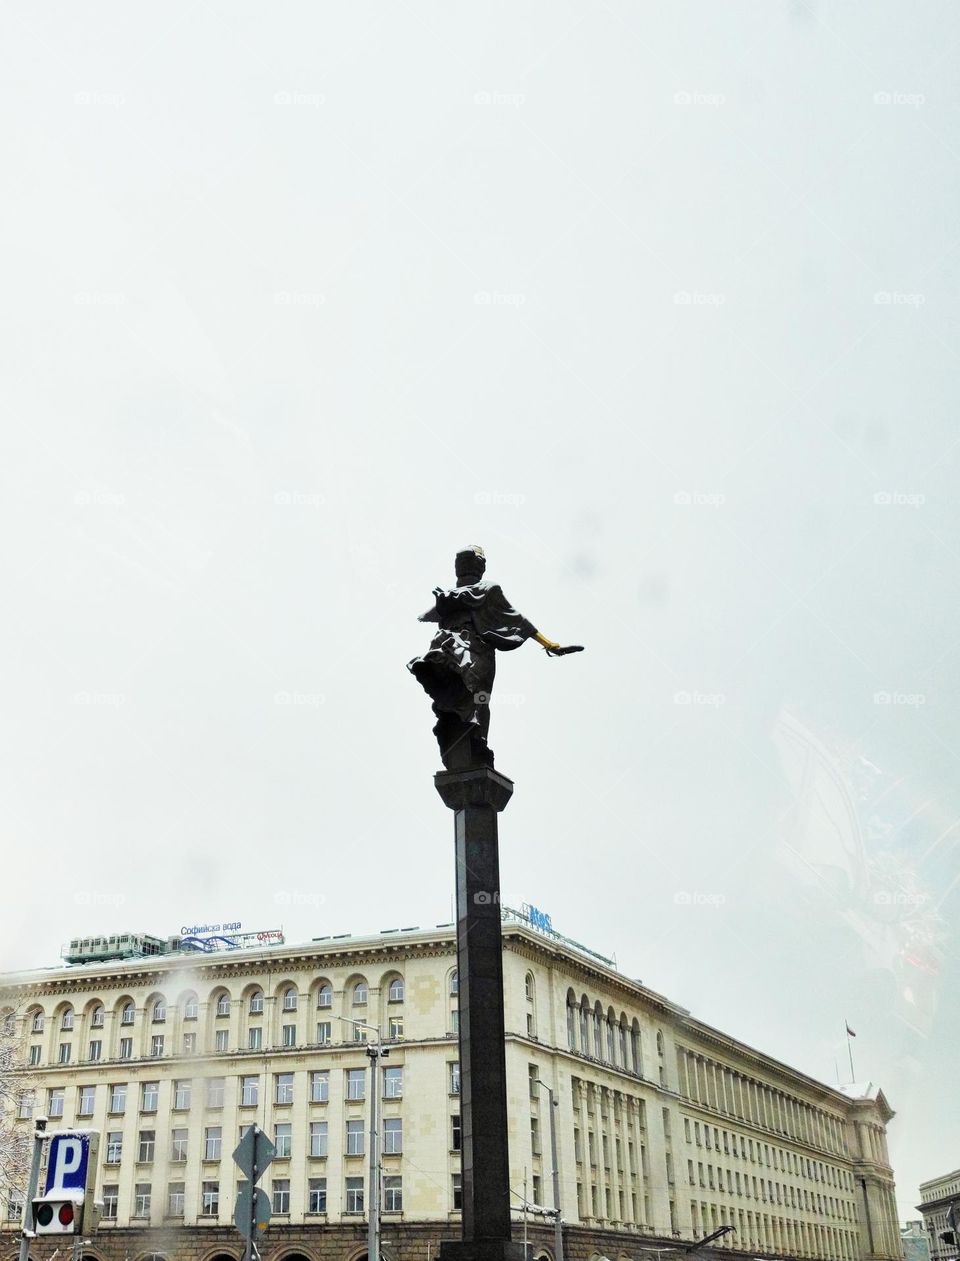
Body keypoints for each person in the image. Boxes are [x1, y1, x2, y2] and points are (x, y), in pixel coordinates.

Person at [408, 545, 582, 769]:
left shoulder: (480, 590)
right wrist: (549, 644)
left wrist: (549, 643)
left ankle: (476, 739)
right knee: (476, 696)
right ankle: (468, 734)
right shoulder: (459, 595)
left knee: (479, 699)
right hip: (459, 651)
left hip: (469, 652)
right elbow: (519, 621)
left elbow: (517, 620)